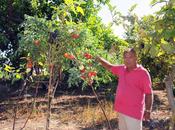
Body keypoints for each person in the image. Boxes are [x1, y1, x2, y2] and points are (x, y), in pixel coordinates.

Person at [96, 48, 153, 130]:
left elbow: (149, 93)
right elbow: (110, 66)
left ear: (136, 58)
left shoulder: (143, 73)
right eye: (125, 57)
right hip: (121, 110)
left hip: (134, 112)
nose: (127, 60)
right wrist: (100, 59)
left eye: (130, 57)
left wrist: (148, 110)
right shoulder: (122, 69)